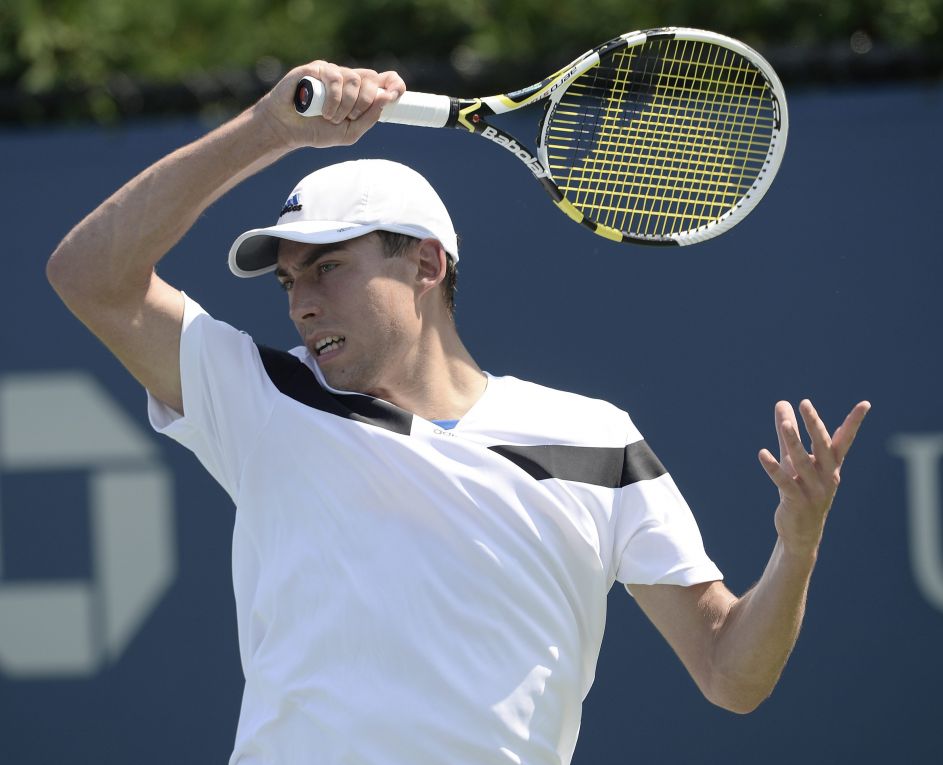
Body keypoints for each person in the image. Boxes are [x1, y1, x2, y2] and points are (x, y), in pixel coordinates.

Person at [47, 61, 870, 765]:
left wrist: (795, 547)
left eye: (328, 268)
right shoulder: (262, 398)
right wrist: (270, 129)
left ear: (426, 264)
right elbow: (88, 275)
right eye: (288, 280)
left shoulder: (596, 439)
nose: (300, 302)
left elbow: (730, 673)